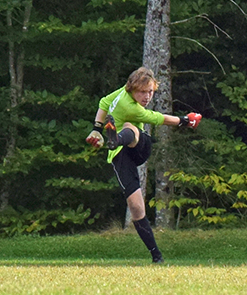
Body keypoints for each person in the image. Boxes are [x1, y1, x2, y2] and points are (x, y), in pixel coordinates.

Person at [85, 67, 201, 263]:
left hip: (138, 146)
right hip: (120, 157)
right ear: (131, 89)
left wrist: (97, 128)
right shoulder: (127, 102)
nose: (147, 96)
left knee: (131, 128)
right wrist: (186, 121)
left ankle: (116, 139)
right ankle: (157, 257)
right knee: (137, 208)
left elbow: (104, 102)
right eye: (142, 92)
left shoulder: (124, 94)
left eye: (150, 91)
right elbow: (158, 118)